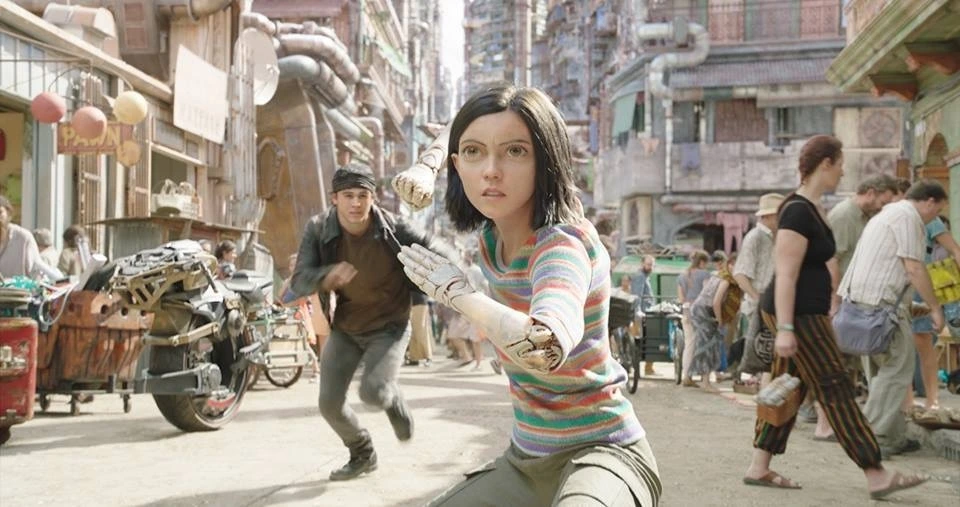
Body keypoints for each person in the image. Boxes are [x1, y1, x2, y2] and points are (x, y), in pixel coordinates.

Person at [397, 85, 660, 506]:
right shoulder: (490, 241)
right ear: (457, 165)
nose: (491, 170)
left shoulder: (561, 246)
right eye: (474, 153)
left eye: (516, 152)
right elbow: (462, 134)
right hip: (527, 461)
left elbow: (545, 346)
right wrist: (430, 162)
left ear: (545, 161)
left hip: (605, 455)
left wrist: (459, 294)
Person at [745, 135, 927, 500]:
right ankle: (875, 472)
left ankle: (759, 466)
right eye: (840, 164)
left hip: (807, 313)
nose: (843, 172)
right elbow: (786, 275)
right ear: (825, 164)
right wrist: (785, 328)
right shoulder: (797, 211)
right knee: (835, 385)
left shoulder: (812, 208)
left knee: (787, 388)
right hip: (797, 315)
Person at [288, 161, 455, 481]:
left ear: (373, 197)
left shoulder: (395, 228)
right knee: (329, 404)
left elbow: (438, 250)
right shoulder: (319, 229)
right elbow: (299, 279)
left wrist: (460, 284)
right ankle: (362, 453)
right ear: (334, 198)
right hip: (346, 328)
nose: (355, 203)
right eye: (348, 195)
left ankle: (391, 397)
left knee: (373, 392)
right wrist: (326, 275)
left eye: (362, 195)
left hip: (390, 326)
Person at [841, 180, 948, 457]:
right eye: (937, 211)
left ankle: (892, 435)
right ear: (930, 201)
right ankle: (872, 434)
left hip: (863, 302)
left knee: (881, 370)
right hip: (881, 307)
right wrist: (935, 308)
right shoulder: (908, 217)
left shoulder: (887, 214)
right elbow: (913, 268)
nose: (935, 217)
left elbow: (887, 266)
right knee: (898, 368)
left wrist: (912, 305)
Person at [908, 214, 960, 411]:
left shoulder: (930, 221)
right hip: (915, 286)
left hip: (933, 285)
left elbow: (954, 250)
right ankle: (917, 394)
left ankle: (928, 394)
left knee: (925, 341)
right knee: (914, 344)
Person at [732, 193, 783, 378]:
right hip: (759, 307)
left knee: (770, 357)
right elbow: (740, 273)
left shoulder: (774, 237)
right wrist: (757, 297)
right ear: (768, 216)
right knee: (764, 356)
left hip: (772, 304)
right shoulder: (755, 237)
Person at [689, 255, 742, 392]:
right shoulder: (726, 280)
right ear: (729, 265)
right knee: (708, 346)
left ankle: (701, 380)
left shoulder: (719, 275)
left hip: (700, 310)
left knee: (706, 345)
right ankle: (706, 383)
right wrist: (719, 321)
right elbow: (716, 302)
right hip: (705, 312)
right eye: (735, 265)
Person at [678, 250, 711, 387]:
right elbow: (706, 294)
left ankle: (686, 376)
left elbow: (681, 298)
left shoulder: (682, 276)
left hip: (686, 311)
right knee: (703, 344)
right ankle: (704, 377)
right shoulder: (705, 274)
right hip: (700, 312)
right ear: (702, 262)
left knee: (689, 344)